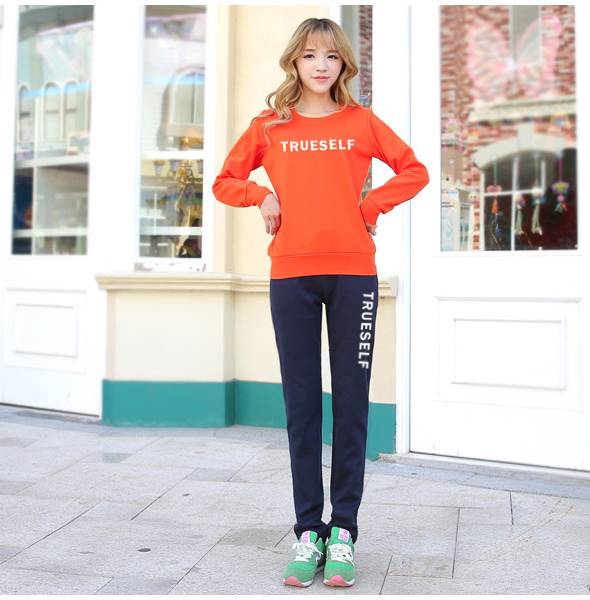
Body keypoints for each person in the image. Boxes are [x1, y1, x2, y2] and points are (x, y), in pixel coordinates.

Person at [212, 17, 428, 588]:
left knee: (352, 406)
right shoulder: (269, 126)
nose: (321, 65)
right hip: (292, 276)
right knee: (302, 406)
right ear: (294, 62)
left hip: (354, 276)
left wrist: (371, 206)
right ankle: (309, 531)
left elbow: (414, 171)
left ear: (344, 65)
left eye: (331, 56)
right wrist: (260, 195)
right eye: (310, 55)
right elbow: (225, 180)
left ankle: (345, 532)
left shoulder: (361, 122)